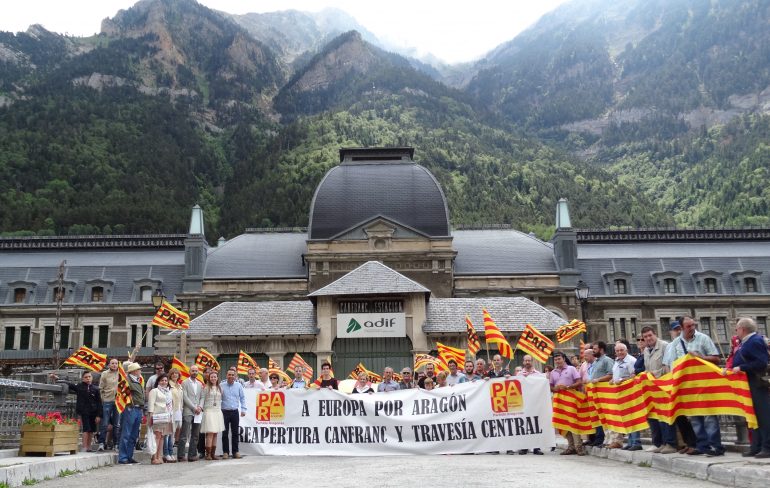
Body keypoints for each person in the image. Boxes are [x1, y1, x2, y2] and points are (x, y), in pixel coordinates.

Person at [664, 316, 724, 456]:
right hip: (688, 388)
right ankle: (702, 445)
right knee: (695, 418)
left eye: (693, 325)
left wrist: (701, 357)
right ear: (681, 328)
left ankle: (716, 446)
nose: (692, 328)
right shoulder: (675, 344)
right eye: (688, 326)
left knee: (710, 417)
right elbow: (671, 367)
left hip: (705, 385)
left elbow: (716, 358)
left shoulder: (703, 338)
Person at [731, 317, 770, 458]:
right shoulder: (747, 342)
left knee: (763, 415)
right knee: (753, 415)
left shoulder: (754, 341)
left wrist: (741, 367)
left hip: (757, 382)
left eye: (737, 329)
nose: (736, 332)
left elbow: (761, 362)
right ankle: (757, 445)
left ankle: (767, 446)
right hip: (749, 382)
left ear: (742, 329)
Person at [641, 326, 677, 454]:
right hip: (653, 389)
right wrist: (644, 375)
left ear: (655, 334)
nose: (648, 338)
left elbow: (668, 367)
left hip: (664, 386)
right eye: (645, 337)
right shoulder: (646, 350)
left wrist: (651, 375)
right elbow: (647, 368)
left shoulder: (665, 346)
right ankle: (660, 443)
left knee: (666, 416)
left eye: (650, 335)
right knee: (655, 417)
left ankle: (671, 443)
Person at [52, 370, 102, 452]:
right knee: (86, 429)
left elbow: (99, 403)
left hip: (93, 412)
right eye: (86, 377)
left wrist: (99, 415)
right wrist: (57, 378)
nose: (88, 379)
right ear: (82, 379)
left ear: (92, 378)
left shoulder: (96, 389)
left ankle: (89, 447)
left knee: (92, 430)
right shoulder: (79, 386)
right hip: (84, 411)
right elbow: (69, 384)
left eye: (89, 377)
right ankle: (84, 447)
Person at [549, 352, 584, 456]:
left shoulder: (571, 369)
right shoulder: (553, 372)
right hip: (559, 400)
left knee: (573, 422)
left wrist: (568, 387)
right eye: (555, 360)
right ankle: (571, 446)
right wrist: (555, 389)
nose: (557, 361)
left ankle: (579, 447)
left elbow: (579, 382)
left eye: (559, 359)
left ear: (564, 359)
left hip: (571, 399)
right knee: (562, 423)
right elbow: (550, 386)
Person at [609, 343, 640, 450]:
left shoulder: (631, 361)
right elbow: (617, 375)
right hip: (621, 395)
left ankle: (636, 442)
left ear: (626, 350)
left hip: (630, 393)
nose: (619, 352)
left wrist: (621, 380)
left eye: (622, 350)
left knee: (633, 417)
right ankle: (631, 442)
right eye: (617, 351)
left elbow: (634, 376)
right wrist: (613, 380)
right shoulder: (616, 361)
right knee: (627, 418)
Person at [586, 341, 613, 447]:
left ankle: (607, 440)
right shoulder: (596, 362)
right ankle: (601, 439)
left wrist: (598, 380)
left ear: (601, 349)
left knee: (605, 416)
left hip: (604, 393)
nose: (593, 351)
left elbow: (610, 374)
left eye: (595, 349)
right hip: (595, 394)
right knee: (597, 416)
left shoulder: (607, 360)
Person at [517, 354, 544, 455]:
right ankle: (524, 447)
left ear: (532, 362)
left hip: (535, 403)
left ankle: (537, 447)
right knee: (523, 425)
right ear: (523, 362)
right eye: (526, 361)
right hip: (523, 404)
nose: (527, 362)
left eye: (529, 361)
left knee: (536, 425)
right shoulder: (519, 375)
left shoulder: (538, 374)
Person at [118, 362, 144, 464]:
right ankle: (123, 457)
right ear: (134, 371)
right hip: (130, 408)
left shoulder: (137, 380)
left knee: (133, 434)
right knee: (126, 433)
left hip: (138, 409)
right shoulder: (127, 380)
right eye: (138, 369)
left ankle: (129, 456)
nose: (140, 371)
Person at [147, 373, 174, 464]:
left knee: (162, 436)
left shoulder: (168, 391)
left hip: (166, 416)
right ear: (158, 381)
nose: (164, 382)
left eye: (166, 380)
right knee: (157, 436)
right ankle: (154, 457)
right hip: (156, 416)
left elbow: (170, 404)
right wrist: (150, 417)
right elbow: (151, 404)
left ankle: (159, 456)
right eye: (162, 380)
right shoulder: (154, 391)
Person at [220, 369, 247, 459]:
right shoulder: (221, 385)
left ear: (235, 376)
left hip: (235, 411)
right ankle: (225, 452)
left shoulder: (239, 386)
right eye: (229, 374)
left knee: (235, 433)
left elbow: (242, 398)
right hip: (224, 412)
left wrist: (243, 409)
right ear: (226, 375)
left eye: (233, 375)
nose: (231, 376)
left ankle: (235, 452)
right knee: (225, 433)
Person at [178, 364, 203, 462]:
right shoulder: (184, 383)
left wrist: (200, 407)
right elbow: (185, 397)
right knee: (184, 434)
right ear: (189, 372)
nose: (194, 372)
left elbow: (202, 397)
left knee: (195, 434)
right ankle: (181, 455)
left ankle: (192, 455)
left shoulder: (200, 384)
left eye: (196, 371)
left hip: (198, 413)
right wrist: (194, 407)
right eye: (193, 370)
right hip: (188, 411)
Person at [201, 370, 225, 460]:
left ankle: (213, 453)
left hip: (217, 411)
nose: (213, 378)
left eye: (215, 377)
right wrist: (200, 407)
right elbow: (202, 399)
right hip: (209, 411)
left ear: (217, 378)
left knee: (215, 433)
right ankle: (208, 454)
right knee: (210, 433)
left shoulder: (220, 388)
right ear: (209, 378)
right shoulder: (206, 388)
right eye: (212, 377)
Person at [98, 358, 120, 451]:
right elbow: (101, 388)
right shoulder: (105, 374)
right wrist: (103, 399)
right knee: (105, 423)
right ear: (109, 365)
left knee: (116, 423)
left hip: (118, 401)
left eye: (116, 363)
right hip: (107, 400)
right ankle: (101, 443)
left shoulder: (121, 373)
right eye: (112, 363)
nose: (114, 365)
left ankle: (116, 444)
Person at [167, 368, 184, 460]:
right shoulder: (168, 384)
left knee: (178, 429)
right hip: (171, 411)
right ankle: (169, 452)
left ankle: (172, 450)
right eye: (173, 374)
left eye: (176, 374)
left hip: (179, 410)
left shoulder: (179, 385)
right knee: (171, 432)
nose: (174, 375)